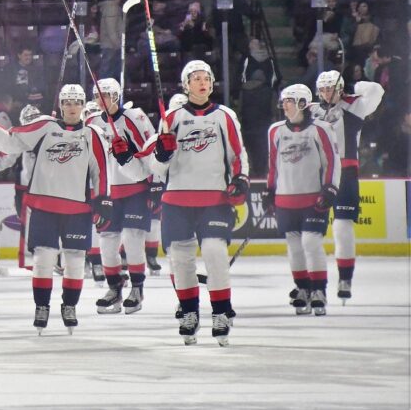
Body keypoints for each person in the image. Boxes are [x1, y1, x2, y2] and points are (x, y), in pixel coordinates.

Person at [0, 84, 108, 335]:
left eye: (77, 102)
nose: (72, 107)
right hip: (44, 205)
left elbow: (101, 170)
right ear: (60, 105)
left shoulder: (92, 134)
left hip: (77, 208)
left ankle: (69, 306)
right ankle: (42, 307)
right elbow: (10, 141)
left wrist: (103, 201)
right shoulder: (45, 126)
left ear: (82, 105)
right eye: (67, 102)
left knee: (75, 261)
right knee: (43, 259)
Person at [143, 60, 248, 346]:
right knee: (181, 260)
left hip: (214, 198)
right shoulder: (172, 118)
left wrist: (241, 179)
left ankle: (220, 312)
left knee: (214, 253)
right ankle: (189, 313)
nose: (203, 82)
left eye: (206, 78)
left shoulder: (224, 116)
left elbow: (238, 154)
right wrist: (162, 155)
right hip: (176, 200)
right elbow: (157, 167)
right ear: (186, 84)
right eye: (196, 78)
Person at [266, 84, 340, 316]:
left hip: (313, 197)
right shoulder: (275, 130)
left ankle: (319, 290)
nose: (284, 106)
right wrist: (270, 191)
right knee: (294, 246)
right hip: (285, 199)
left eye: (289, 101)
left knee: (311, 242)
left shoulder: (321, 128)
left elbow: (332, 161)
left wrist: (330, 188)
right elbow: (272, 165)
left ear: (301, 103)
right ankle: (303, 289)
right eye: (284, 101)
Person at [309, 70, 384, 302]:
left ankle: (345, 278)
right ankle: (310, 283)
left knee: (342, 228)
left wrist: (355, 85)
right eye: (322, 89)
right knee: (310, 233)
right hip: (316, 175)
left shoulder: (355, 105)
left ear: (340, 88)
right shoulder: (311, 110)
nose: (326, 93)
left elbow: (377, 90)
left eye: (331, 88)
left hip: (345, 172)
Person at [88, 79, 156, 315]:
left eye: (106, 95)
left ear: (116, 96)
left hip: (135, 189)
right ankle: (114, 288)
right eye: (98, 96)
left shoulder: (134, 117)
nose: (102, 100)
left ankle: (137, 288)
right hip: (107, 194)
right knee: (106, 242)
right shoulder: (93, 123)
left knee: (132, 238)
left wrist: (155, 183)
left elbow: (151, 148)